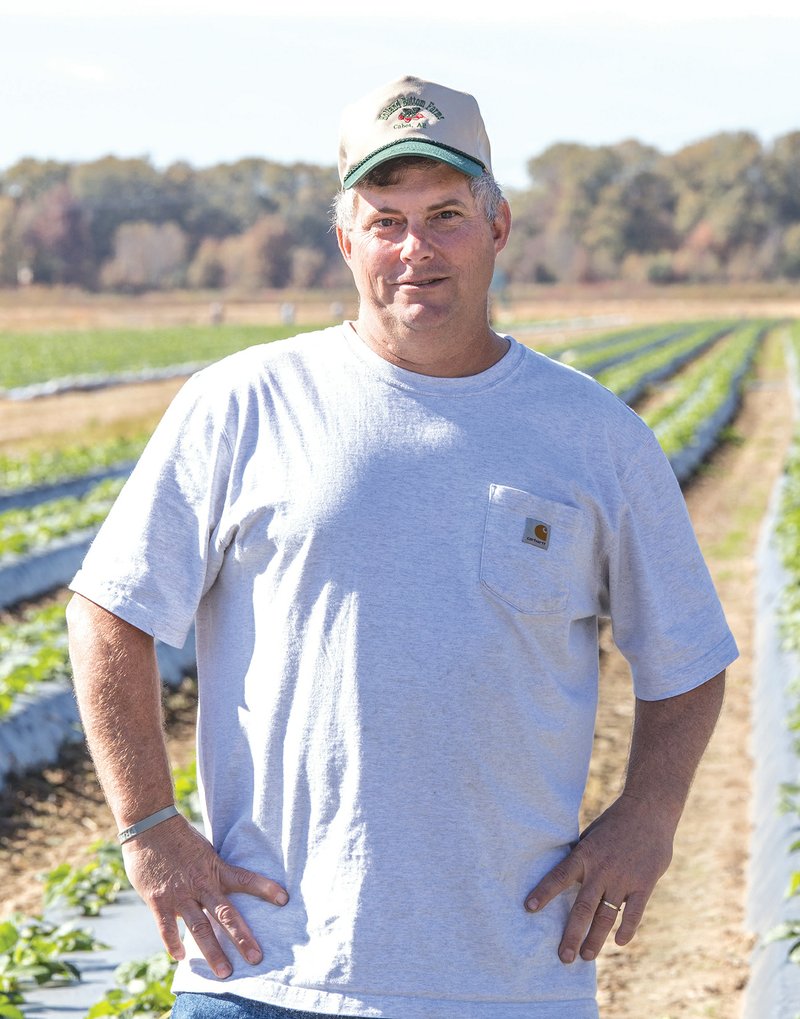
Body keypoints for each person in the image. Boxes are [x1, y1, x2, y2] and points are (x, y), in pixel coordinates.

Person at [67, 75, 738, 1019]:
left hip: (507, 981)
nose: (414, 249)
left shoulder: (594, 435)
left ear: (499, 227)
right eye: (385, 220)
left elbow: (689, 658)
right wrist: (147, 827)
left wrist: (651, 813)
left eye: (447, 214)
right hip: (266, 974)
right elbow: (108, 612)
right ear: (346, 240)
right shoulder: (244, 404)